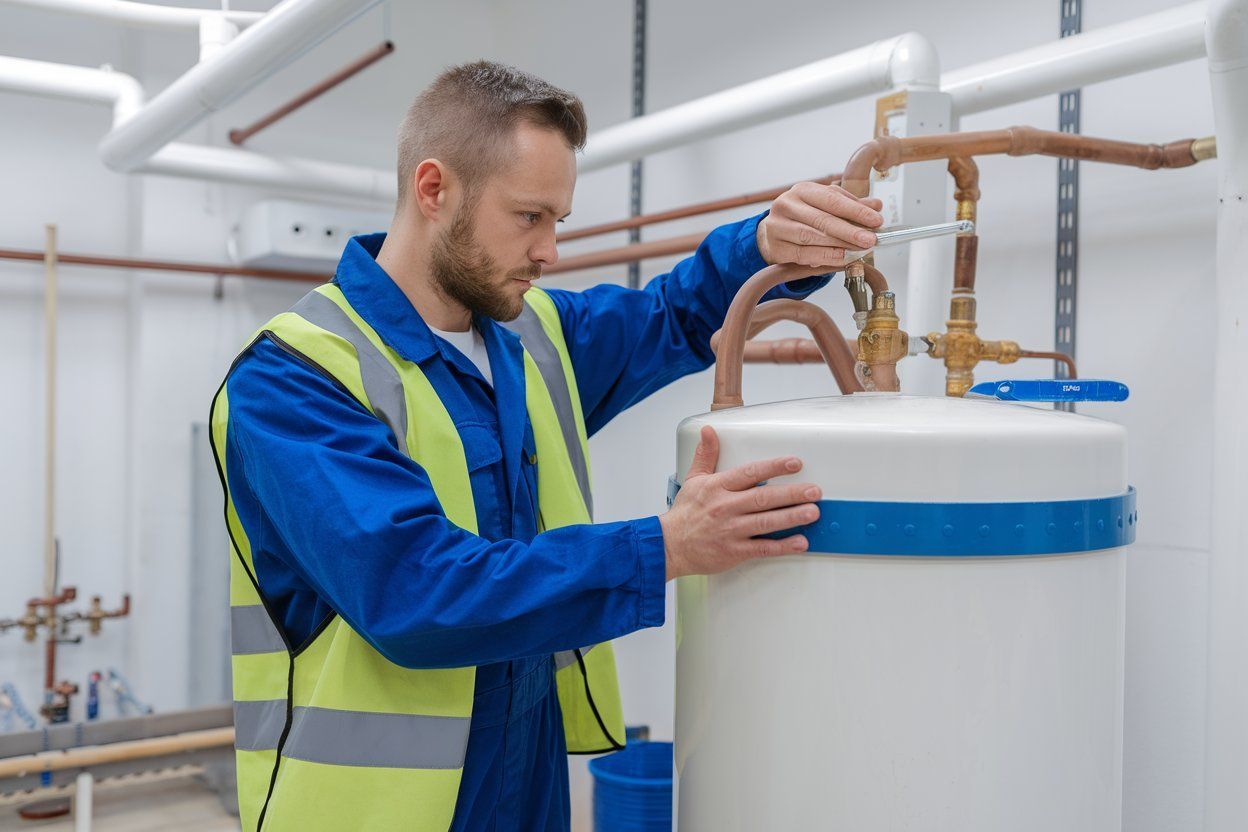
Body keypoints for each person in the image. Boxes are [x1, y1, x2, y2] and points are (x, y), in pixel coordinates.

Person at [209, 60, 883, 831]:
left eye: (558, 220)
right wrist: (665, 547)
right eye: (529, 217)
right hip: (375, 811)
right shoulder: (292, 379)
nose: (551, 250)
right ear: (434, 190)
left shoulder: (534, 338)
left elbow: (676, 313)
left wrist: (768, 243)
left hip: (524, 777)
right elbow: (414, 593)